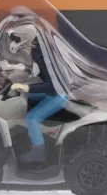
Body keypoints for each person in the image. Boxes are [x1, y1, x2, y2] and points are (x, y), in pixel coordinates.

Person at [7, 24, 67, 163]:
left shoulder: (42, 56)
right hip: (56, 92)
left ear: (25, 40)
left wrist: (28, 88)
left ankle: (38, 153)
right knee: (24, 97)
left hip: (58, 95)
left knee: (32, 118)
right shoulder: (38, 52)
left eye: (17, 41)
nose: (20, 50)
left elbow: (53, 86)